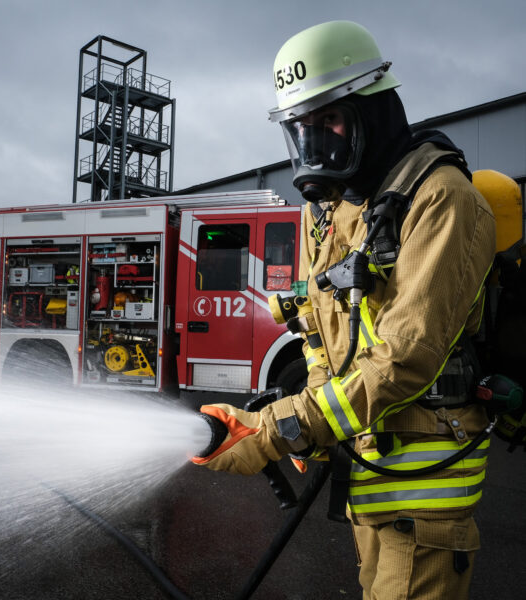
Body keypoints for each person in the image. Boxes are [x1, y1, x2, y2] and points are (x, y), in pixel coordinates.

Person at [192, 21, 496, 599]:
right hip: (368, 475)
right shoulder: (330, 211)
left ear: (374, 108)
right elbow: (319, 335)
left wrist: (280, 429)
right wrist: (313, 430)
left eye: (329, 119)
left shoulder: (442, 197)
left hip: (424, 489)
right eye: (301, 127)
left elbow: (404, 358)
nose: (315, 143)